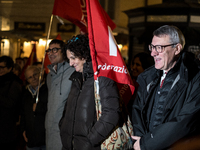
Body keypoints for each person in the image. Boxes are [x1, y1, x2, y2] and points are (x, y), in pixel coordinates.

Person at [131, 25, 200, 150]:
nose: (153, 53)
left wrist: (147, 143)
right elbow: (137, 110)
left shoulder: (194, 77)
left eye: (159, 48)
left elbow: (184, 121)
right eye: (152, 47)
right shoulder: (147, 77)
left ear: (177, 48)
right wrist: (141, 140)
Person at [59, 34, 120, 150]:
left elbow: (112, 113)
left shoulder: (102, 77)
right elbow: (68, 109)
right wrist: (63, 129)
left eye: (73, 58)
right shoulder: (76, 78)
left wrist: (90, 140)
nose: (70, 63)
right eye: (69, 59)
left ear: (84, 55)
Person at [45, 39, 75, 150]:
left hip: (64, 131)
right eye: (49, 50)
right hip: (50, 129)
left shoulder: (73, 71)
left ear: (64, 51)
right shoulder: (49, 76)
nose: (50, 53)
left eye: (55, 50)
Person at [20, 66, 48, 150]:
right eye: (30, 77)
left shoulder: (48, 89)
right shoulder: (25, 93)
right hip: (31, 139)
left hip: (46, 139)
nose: (33, 78)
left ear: (41, 74)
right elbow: (23, 114)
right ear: (27, 80)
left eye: (35, 74)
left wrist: (39, 107)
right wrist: (23, 130)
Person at [0, 56, 22, 150]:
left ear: (10, 68)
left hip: (7, 128)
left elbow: (11, 103)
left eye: (2, 67)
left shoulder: (15, 83)